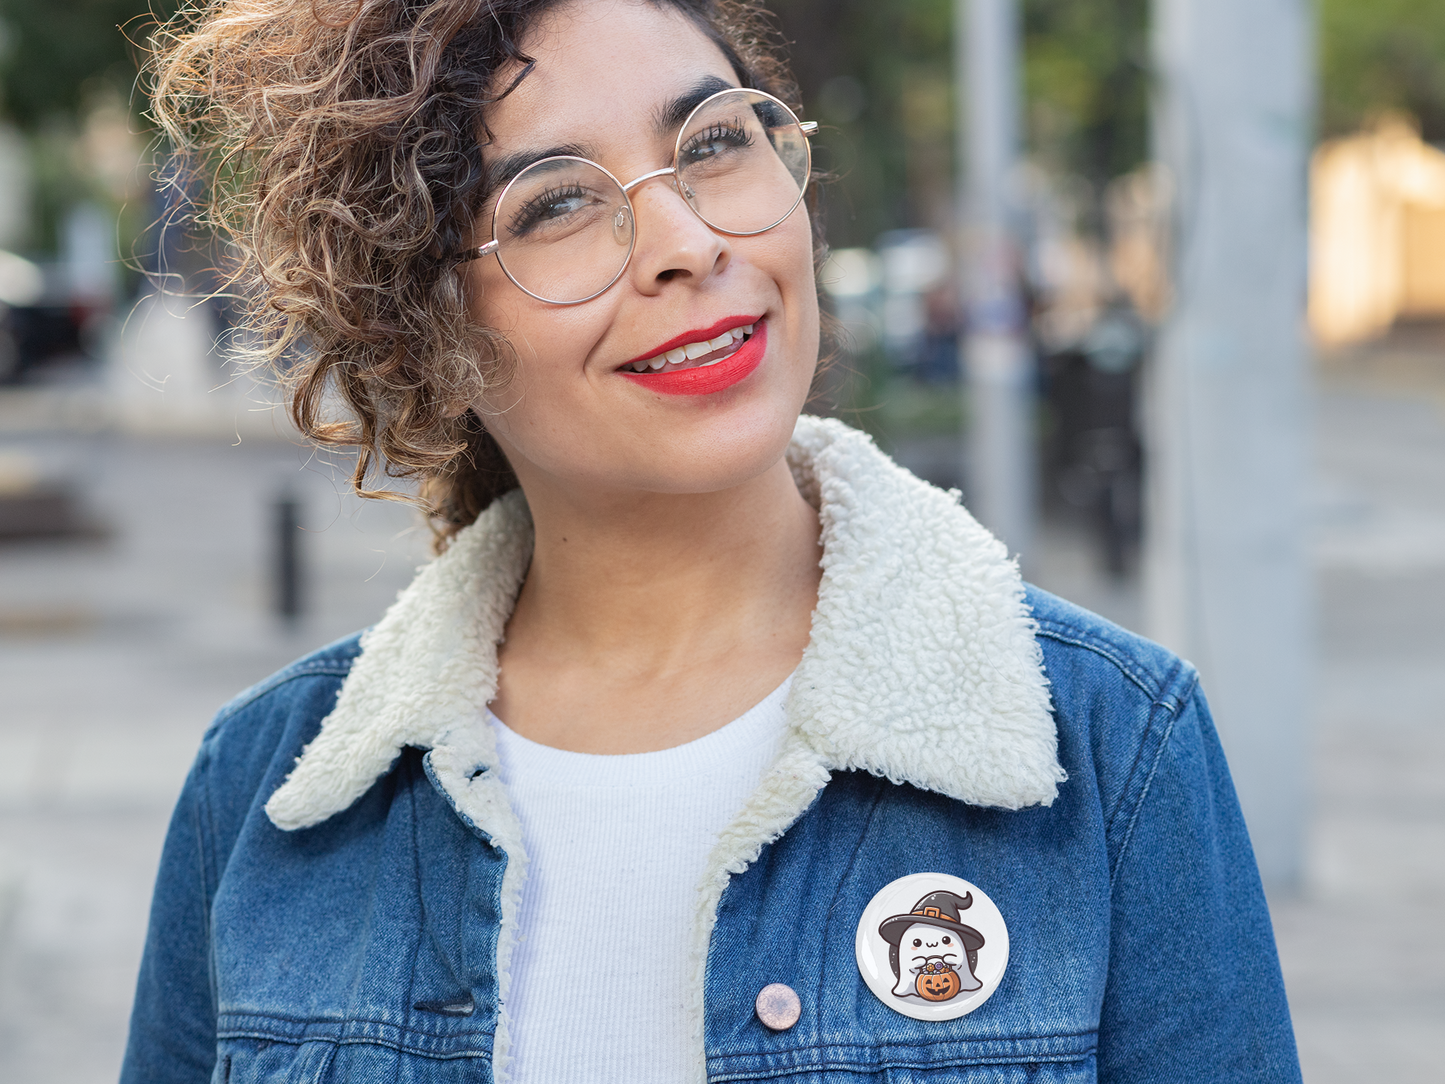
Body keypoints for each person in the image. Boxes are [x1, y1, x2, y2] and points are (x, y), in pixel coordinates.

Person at [123, 1, 1302, 1081]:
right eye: (556, 204)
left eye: (712, 142)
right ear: (425, 338)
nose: (686, 239)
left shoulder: (1111, 750)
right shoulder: (265, 795)